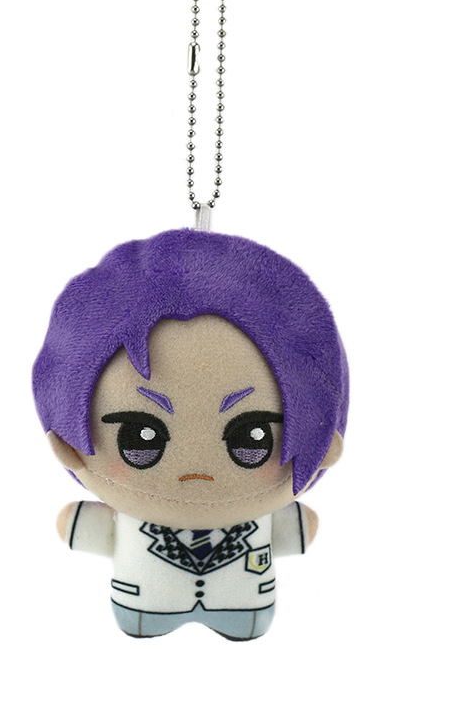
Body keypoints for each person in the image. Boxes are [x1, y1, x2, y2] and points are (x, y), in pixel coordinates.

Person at [33, 228, 349, 639]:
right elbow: (302, 529)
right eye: (139, 437)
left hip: (239, 608)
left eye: (251, 439)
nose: (196, 470)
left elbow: (75, 528)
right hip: (146, 605)